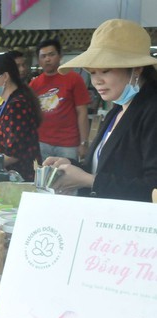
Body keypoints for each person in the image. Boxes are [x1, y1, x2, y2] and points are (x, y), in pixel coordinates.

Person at [43, 19, 157, 202]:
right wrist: (71, 167)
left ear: (136, 70)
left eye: (105, 71)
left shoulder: (151, 110)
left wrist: (88, 180)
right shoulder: (119, 109)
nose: (97, 81)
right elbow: (107, 168)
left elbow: (152, 189)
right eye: (92, 72)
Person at [0, 54, 42, 181]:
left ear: (5, 76)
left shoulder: (17, 105)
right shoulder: (8, 103)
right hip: (14, 172)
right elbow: (2, 141)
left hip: (21, 176)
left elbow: (14, 154)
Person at [30, 39, 90, 161]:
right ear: (38, 60)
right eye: (43, 56)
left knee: (68, 178)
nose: (47, 59)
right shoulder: (34, 85)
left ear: (60, 56)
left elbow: (82, 112)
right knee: (44, 179)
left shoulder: (74, 79)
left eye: (51, 55)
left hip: (68, 144)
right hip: (42, 142)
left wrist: (84, 143)